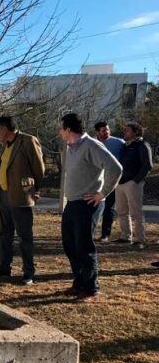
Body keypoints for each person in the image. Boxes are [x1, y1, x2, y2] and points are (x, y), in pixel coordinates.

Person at [58, 113, 122, 302]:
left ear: (68, 129)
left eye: (61, 128)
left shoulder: (91, 145)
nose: (59, 132)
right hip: (72, 203)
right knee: (70, 244)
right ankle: (79, 283)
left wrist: (102, 193)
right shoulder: (70, 148)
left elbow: (115, 168)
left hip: (87, 204)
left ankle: (91, 289)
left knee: (84, 246)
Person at [0, 116, 45, 285]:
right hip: (4, 196)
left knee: (24, 237)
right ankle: (4, 267)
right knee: (4, 235)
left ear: (5, 129)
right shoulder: (7, 145)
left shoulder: (28, 141)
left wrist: (36, 190)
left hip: (21, 196)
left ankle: (29, 273)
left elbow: (39, 168)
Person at [114, 122, 153, 249]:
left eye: (127, 130)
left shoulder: (142, 145)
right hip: (120, 182)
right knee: (121, 211)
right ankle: (125, 236)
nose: (124, 132)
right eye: (124, 130)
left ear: (136, 132)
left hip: (133, 183)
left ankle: (139, 239)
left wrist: (136, 181)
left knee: (135, 212)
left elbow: (147, 165)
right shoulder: (125, 146)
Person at [93, 121, 124, 242]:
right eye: (103, 130)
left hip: (110, 181)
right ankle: (90, 231)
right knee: (93, 207)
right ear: (97, 132)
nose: (106, 132)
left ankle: (105, 234)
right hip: (95, 181)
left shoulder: (119, 143)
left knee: (108, 208)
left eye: (107, 129)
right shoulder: (92, 143)